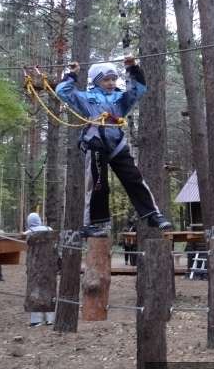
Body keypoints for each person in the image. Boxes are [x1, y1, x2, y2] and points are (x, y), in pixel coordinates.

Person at [56, 58, 172, 237]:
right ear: (96, 81)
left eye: (113, 79)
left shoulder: (121, 98)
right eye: (106, 79)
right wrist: (72, 74)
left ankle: (151, 214)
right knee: (98, 183)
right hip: (95, 142)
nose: (111, 83)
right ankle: (92, 224)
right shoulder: (86, 98)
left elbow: (139, 89)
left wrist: (132, 68)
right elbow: (62, 91)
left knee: (134, 178)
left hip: (117, 143)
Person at [23, 213, 56, 327]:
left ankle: (36, 320)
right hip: (50, 267)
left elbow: (28, 240)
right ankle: (50, 319)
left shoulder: (30, 233)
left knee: (35, 291)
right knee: (49, 291)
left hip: (36, 268)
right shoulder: (49, 230)